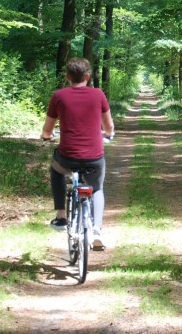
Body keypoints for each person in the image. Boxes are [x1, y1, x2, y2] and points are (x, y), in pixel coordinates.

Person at [41, 58, 115, 250]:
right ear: (88, 77)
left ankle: (61, 216)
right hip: (94, 157)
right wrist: (107, 135)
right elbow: (109, 127)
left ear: (67, 77)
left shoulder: (59, 96)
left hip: (67, 157)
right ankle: (97, 230)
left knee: (56, 171)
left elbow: (47, 130)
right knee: (96, 188)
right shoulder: (98, 95)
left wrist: (46, 136)